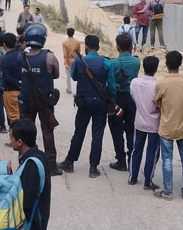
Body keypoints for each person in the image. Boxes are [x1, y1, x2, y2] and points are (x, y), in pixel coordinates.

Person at [59, 35, 116, 178]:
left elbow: (74, 77)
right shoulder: (106, 63)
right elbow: (112, 86)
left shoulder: (79, 61)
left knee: (79, 131)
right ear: (98, 47)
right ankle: (93, 167)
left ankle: (70, 162)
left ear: (86, 47)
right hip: (101, 103)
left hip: (84, 102)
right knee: (98, 134)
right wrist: (112, 102)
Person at [18, 23, 63, 176]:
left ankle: (26, 164)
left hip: (26, 101)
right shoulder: (49, 56)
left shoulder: (20, 56)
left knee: (25, 133)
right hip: (45, 101)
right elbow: (56, 74)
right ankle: (51, 166)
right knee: (47, 132)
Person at [153, 51, 183, 200]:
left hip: (167, 127)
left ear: (166, 64)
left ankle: (168, 191)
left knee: (167, 159)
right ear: (180, 64)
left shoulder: (161, 83)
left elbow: (157, 103)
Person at [107, 33, 140, 172]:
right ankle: (132, 158)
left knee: (116, 129)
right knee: (131, 129)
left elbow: (110, 83)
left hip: (117, 99)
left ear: (117, 47)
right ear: (131, 46)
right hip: (132, 99)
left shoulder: (113, 63)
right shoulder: (137, 62)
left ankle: (120, 160)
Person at [128, 56, 161, 189]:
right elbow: (160, 104)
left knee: (136, 150)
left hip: (140, 120)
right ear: (156, 68)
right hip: (154, 122)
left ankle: (132, 177)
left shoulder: (134, 82)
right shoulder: (157, 85)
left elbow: (133, 97)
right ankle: (148, 181)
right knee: (151, 152)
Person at [0, 33, 23, 125]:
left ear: (4, 44)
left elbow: (6, 76)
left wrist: (17, 83)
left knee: (14, 119)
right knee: (23, 117)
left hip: (10, 91)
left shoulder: (5, 59)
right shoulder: (22, 55)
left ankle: (16, 138)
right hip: (24, 91)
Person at [62, 29, 80, 95]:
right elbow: (79, 53)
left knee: (68, 76)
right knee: (76, 76)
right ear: (73, 33)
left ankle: (69, 89)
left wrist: (66, 63)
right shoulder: (77, 42)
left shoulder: (65, 43)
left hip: (69, 61)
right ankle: (75, 90)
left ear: (67, 33)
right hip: (75, 61)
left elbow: (65, 55)